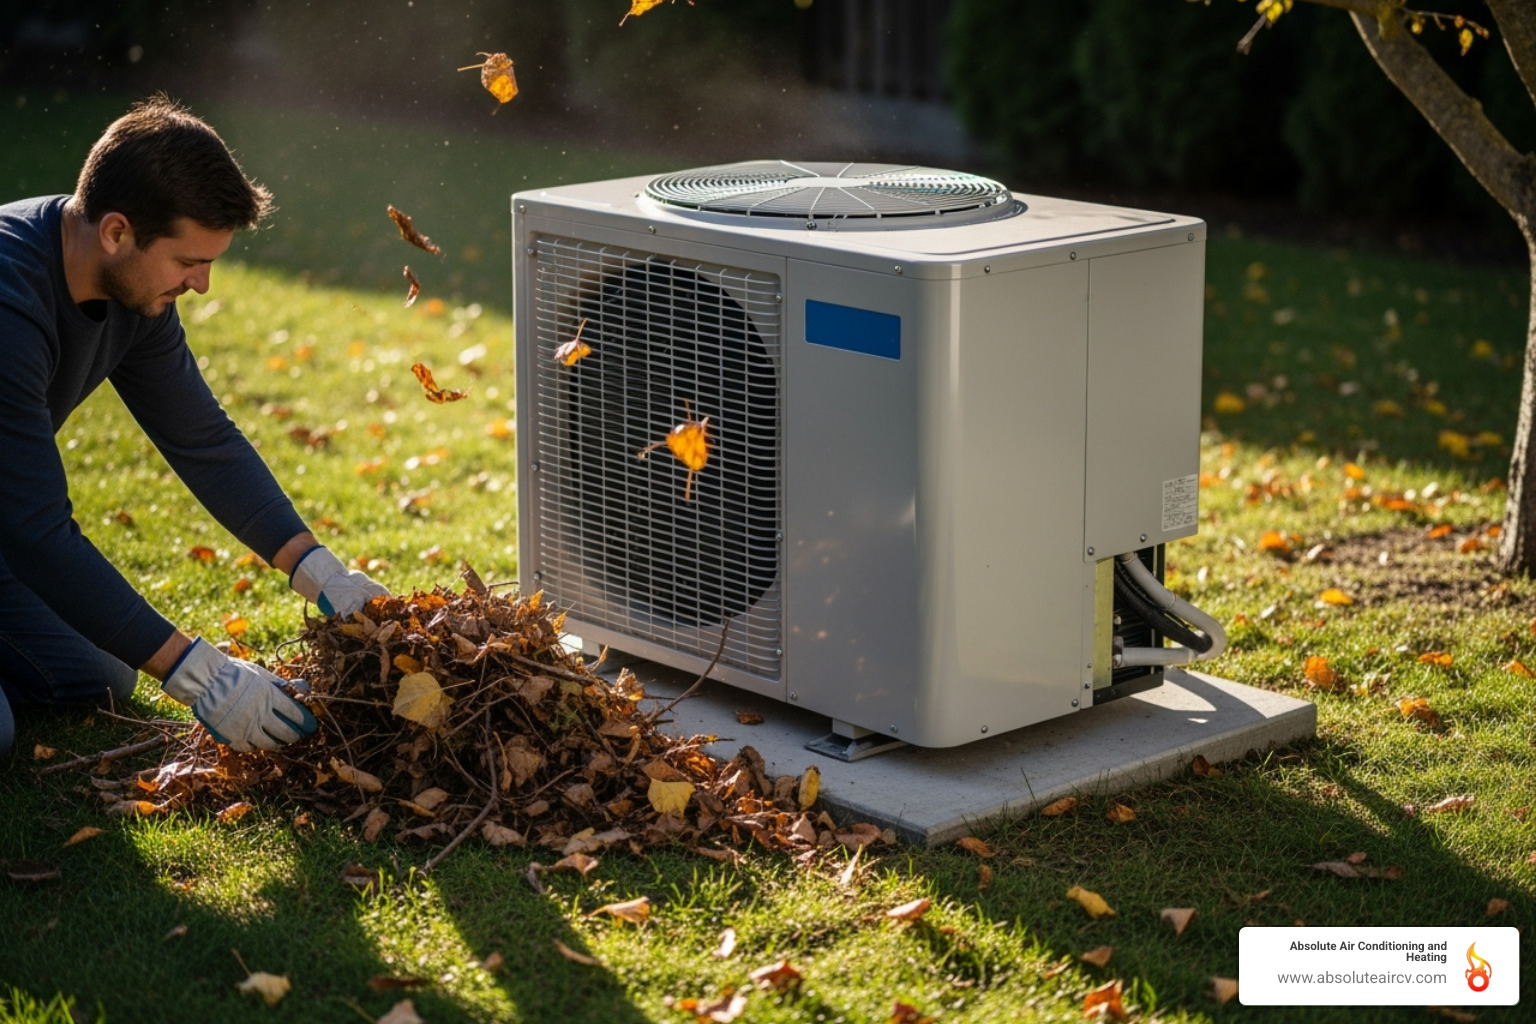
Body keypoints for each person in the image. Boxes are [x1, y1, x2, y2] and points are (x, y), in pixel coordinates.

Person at [0, 95, 388, 759]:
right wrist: (198, 673)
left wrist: (323, 574)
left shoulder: (129, 288)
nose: (202, 285)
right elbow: (36, 531)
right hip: (15, 530)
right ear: (118, 232)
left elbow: (201, 437)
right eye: (188, 263)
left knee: (98, 675)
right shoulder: (10, 305)